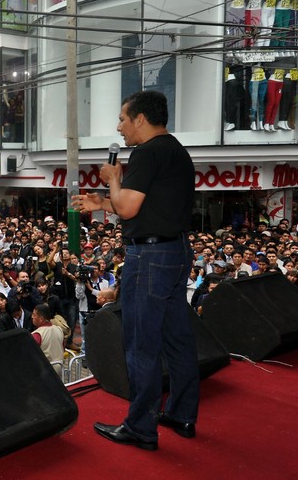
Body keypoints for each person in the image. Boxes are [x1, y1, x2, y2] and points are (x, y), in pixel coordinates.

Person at [74, 90, 199, 451]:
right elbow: (149, 207)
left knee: (141, 344)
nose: (119, 127)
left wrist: (114, 177)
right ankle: (181, 413)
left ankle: (141, 427)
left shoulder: (145, 153)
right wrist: (103, 201)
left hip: (149, 258)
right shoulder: (176, 150)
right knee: (178, 339)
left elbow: (128, 209)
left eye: (123, 119)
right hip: (176, 252)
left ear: (140, 119)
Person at [30, 304, 65, 377]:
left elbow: (31, 356)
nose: (32, 317)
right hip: (59, 369)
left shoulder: (37, 334)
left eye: (34, 315)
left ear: (41, 318)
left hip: (44, 372)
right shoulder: (59, 329)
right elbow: (62, 348)